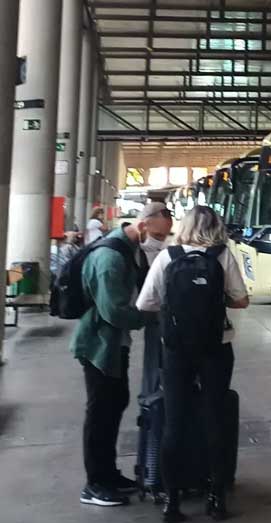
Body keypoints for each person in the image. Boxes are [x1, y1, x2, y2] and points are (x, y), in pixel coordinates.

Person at [136, 205, 249, 523]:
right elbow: (241, 300)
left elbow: (145, 302)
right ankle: (216, 499)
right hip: (216, 348)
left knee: (174, 421)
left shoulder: (168, 257)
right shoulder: (221, 255)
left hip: (175, 350)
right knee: (215, 419)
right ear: (216, 226)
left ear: (184, 226)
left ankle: (172, 503)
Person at [72, 202, 173, 507]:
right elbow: (113, 310)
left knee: (115, 405)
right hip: (98, 346)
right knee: (100, 412)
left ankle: (108, 474)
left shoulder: (127, 251)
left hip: (113, 344)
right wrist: (148, 316)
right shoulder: (110, 257)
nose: (158, 242)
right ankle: (94, 484)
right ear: (143, 225)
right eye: (157, 235)